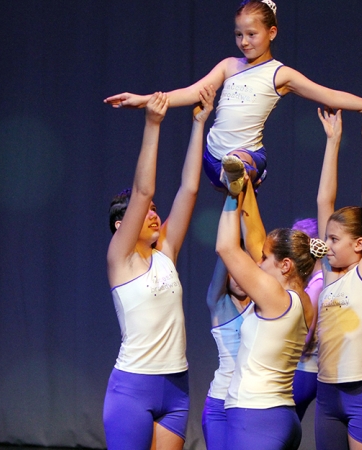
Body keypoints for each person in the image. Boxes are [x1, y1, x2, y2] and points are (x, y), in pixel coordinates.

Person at [104, 0, 362, 196]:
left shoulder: (280, 74)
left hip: (249, 158)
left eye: (251, 34)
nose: (244, 41)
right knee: (230, 173)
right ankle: (232, 177)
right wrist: (144, 99)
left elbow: (331, 96)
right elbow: (190, 93)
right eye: (238, 34)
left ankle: (239, 176)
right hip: (212, 159)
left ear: (272, 32)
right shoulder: (229, 66)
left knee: (240, 164)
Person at [102, 86, 215, 450]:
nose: (153, 214)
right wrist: (153, 123)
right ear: (121, 226)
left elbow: (190, 188)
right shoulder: (120, 258)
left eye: (155, 211)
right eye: (146, 213)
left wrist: (199, 124)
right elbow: (143, 190)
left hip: (176, 387)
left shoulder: (165, 251)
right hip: (133, 387)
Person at [215, 177, 327, 449]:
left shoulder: (276, 298)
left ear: (286, 265)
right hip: (281, 416)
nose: (258, 261)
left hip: (256, 417)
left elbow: (226, 248)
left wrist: (232, 195)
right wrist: (247, 185)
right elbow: (255, 238)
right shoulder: (302, 301)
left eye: (265, 258)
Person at [314, 102, 362, 450]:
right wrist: (332, 141)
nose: (326, 245)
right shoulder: (330, 273)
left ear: (361, 243)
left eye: (334, 239)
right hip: (327, 393)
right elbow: (323, 199)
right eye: (326, 238)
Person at [202, 178, 266, 449]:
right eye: (233, 273)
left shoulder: (263, 303)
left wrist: (248, 194)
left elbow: (258, 247)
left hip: (251, 403)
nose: (240, 278)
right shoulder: (219, 304)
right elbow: (226, 252)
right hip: (219, 404)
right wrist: (233, 196)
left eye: (245, 272)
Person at [291, 218, 324, 421]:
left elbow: (306, 332)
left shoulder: (317, 284)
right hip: (306, 370)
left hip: (304, 369)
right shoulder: (315, 282)